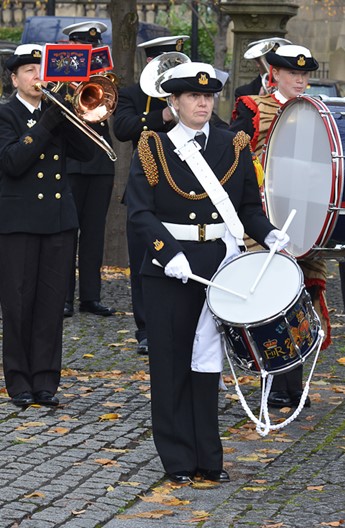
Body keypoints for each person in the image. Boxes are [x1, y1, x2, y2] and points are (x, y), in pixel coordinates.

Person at [126, 61, 288, 483]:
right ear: (174, 102)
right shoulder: (153, 145)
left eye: (208, 96)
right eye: (193, 97)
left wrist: (268, 234)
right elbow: (141, 213)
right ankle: (178, 460)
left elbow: (248, 208)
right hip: (170, 270)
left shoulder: (232, 143)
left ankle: (208, 458)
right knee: (170, 362)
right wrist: (166, 251)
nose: (202, 102)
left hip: (220, 265)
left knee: (208, 364)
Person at [230, 44, 331, 408]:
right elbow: (235, 159)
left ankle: (295, 388)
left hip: (306, 221)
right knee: (272, 305)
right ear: (274, 73)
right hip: (265, 218)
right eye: (293, 74)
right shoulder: (251, 108)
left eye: (305, 75)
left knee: (303, 302)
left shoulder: (319, 111)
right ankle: (272, 385)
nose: (301, 81)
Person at [0, 44, 93, 407]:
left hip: (58, 222)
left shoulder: (58, 113)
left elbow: (88, 155)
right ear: (14, 78)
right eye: (29, 71)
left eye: (42, 71)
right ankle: (19, 381)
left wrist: (77, 116)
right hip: (18, 223)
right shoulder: (6, 114)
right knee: (19, 303)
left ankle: (45, 381)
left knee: (52, 305)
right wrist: (49, 122)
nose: (38, 77)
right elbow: (12, 162)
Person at [113, 35, 190, 354]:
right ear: (150, 63)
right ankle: (145, 328)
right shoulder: (132, 94)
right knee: (143, 259)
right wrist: (164, 116)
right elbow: (123, 128)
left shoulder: (186, 94)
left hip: (184, 189)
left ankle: (181, 323)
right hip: (146, 188)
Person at [62, 21, 116, 317]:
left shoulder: (103, 78)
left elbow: (110, 112)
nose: (89, 52)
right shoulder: (59, 80)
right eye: (83, 47)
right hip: (70, 164)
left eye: (93, 48)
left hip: (99, 163)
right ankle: (65, 297)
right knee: (69, 231)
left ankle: (90, 298)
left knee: (94, 233)